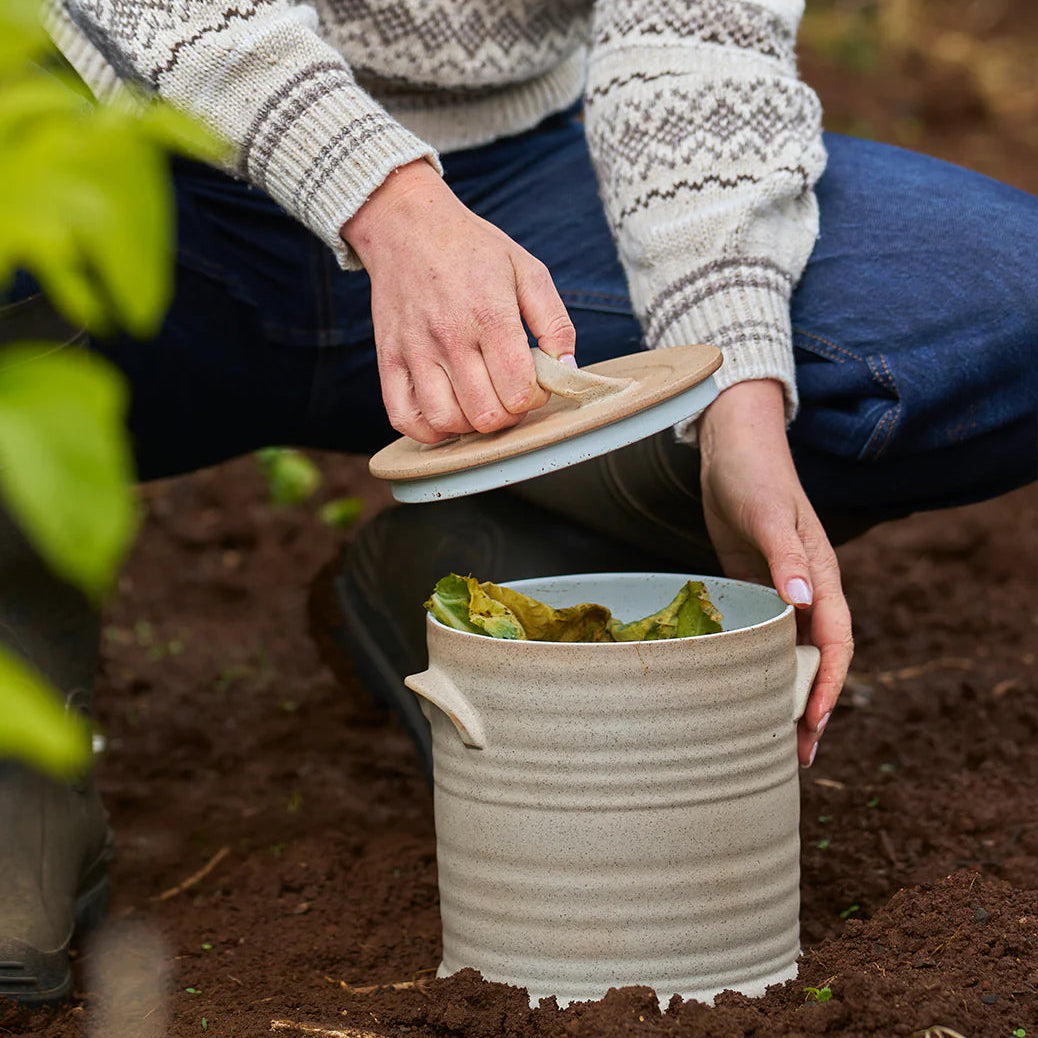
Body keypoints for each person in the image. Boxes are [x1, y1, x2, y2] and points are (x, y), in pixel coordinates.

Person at [1, 0, 1035, 1005]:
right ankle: (22, 741)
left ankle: (490, 563)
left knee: (1000, 305)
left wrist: (738, 405)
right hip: (127, 176)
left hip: (521, 189)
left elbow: (693, 38)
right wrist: (384, 196)